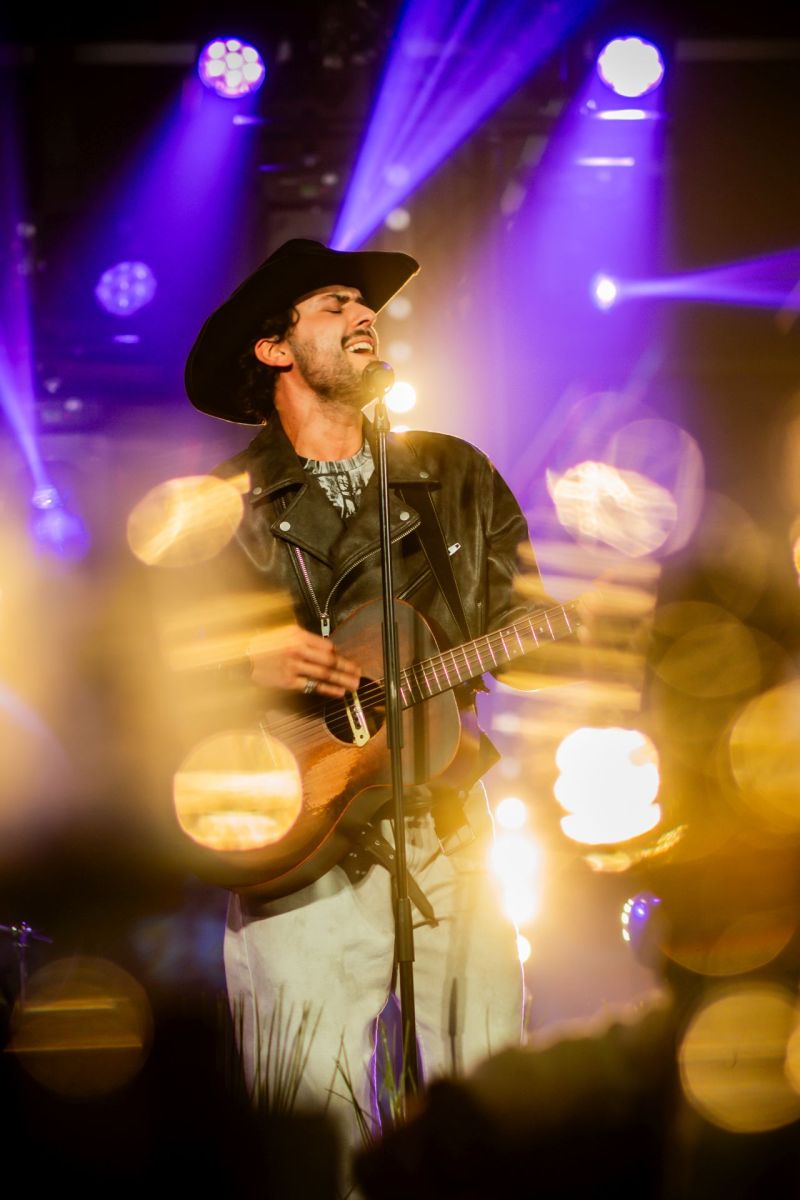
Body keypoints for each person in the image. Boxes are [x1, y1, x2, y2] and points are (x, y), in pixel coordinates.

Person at [182, 238, 576, 1191]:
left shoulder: (454, 476)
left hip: (448, 829)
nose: (364, 316)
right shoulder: (219, 510)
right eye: (333, 304)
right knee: (310, 1132)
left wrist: (571, 638)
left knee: (488, 1111)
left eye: (366, 305)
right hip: (299, 841)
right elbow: (132, 669)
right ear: (275, 348)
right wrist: (241, 657)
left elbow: (522, 627)